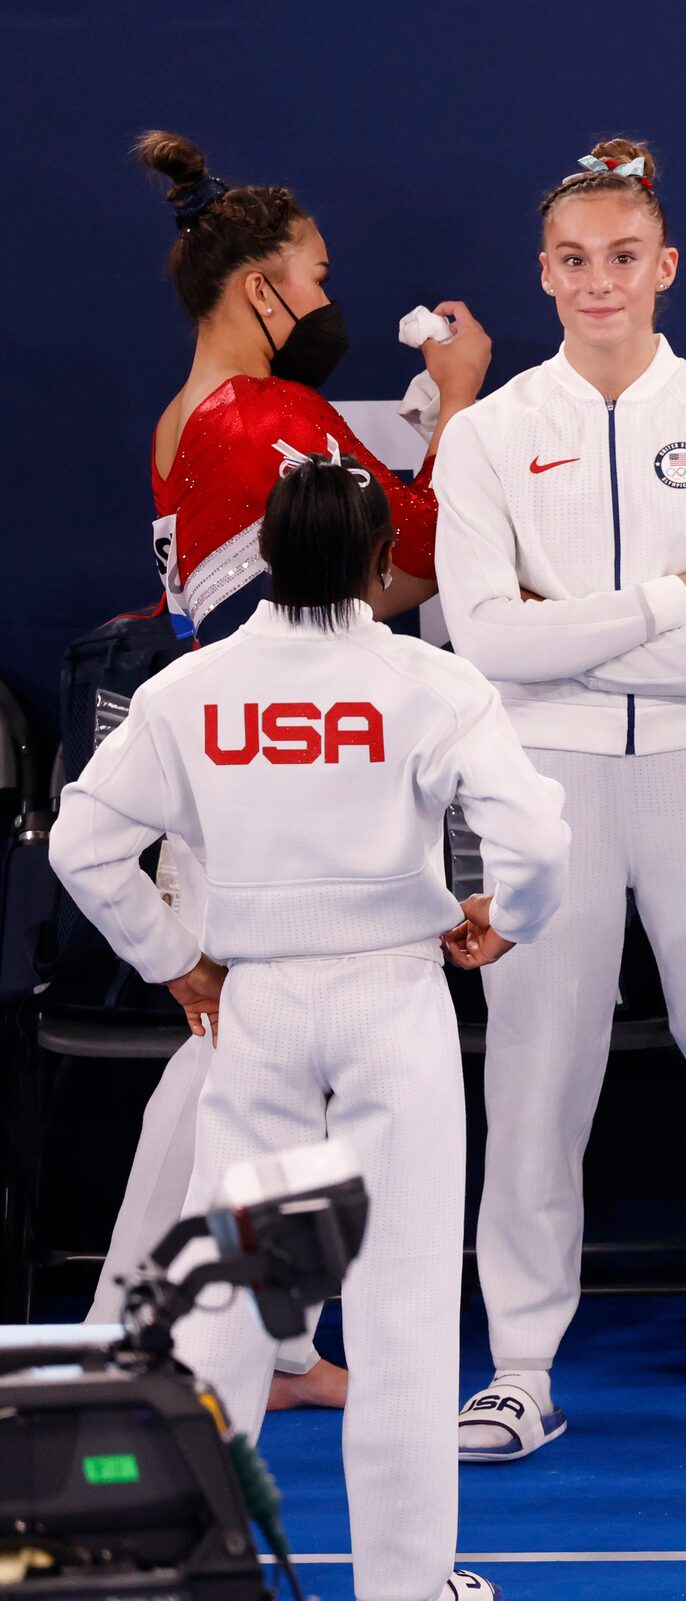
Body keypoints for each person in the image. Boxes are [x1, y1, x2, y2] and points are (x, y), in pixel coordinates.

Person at [51, 451, 572, 1601]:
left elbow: (83, 844)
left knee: (230, 1295)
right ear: (384, 565)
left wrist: (174, 960)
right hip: (395, 1000)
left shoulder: (191, 691)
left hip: (258, 1006)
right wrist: (510, 920)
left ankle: (190, 1573)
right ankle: (404, 1594)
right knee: (401, 1299)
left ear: (266, 558)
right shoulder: (432, 683)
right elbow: (536, 841)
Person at [434, 138, 686, 1461]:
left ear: (663, 267)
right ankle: (518, 1368)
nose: (598, 282)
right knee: (534, 1083)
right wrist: (675, 597)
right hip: (540, 788)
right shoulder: (492, 434)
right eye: (573, 260)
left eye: (623, 258)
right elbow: (483, 643)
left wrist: (580, 628)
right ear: (543, 273)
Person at [88, 131, 496, 1412]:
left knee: (296, 1084)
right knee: (226, 1076)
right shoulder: (266, 414)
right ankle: (124, 1342)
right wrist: (463, 400)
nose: (329, 301)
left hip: (263, 784)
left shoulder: (200, 413)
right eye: (315, 276)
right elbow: (402, 574)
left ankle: (268, 1342)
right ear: (258, 284)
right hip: (264, 803)